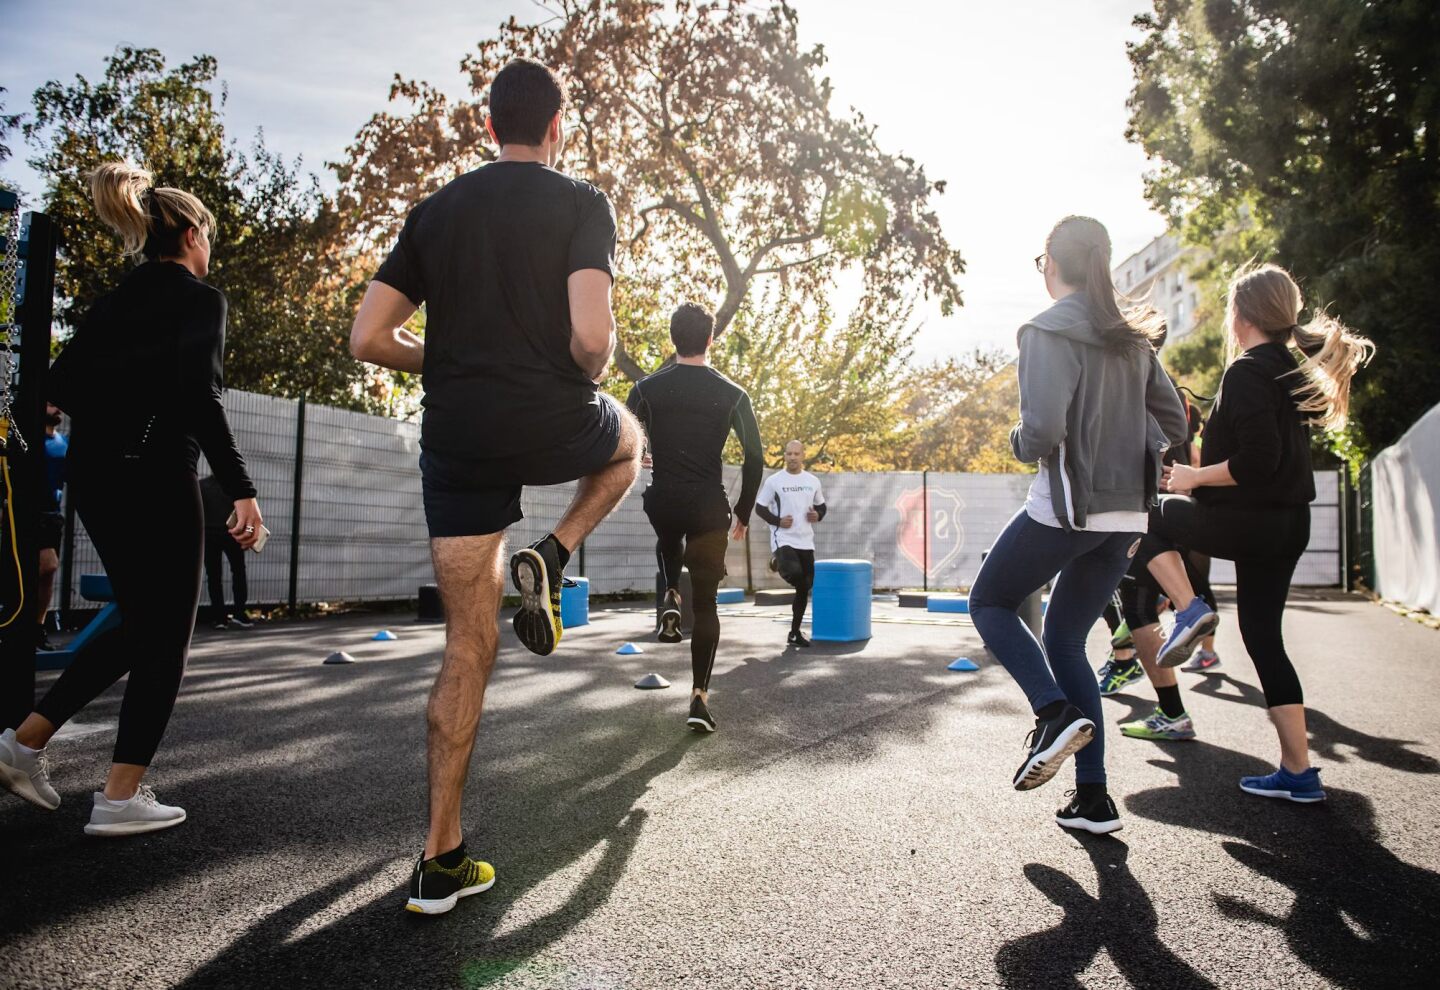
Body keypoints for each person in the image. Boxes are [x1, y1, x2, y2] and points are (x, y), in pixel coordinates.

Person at [349, 57, 641, 916]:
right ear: (558, 129)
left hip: (460, 439)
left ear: (489, 128)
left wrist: (439, 358)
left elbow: (369, 337)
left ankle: (441, 858)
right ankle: (554, 550)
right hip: (552, 419)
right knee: (628, 443)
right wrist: (588, 364)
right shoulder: (583, 202)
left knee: (465, 647)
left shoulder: (435, 213)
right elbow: (592, 339)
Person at [0, 162, 263, 836]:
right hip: (155, 476)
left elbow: (57, 384)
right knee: (166, 634)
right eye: (210, 236)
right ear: (193, 234)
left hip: (98, 477)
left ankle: (23, 743)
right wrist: (242, 491)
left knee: (139, 622)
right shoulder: (200, 300)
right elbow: (199, 398)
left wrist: (124, 406)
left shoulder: (116, 302)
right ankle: (119, 796)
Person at [966, 216, 1187, 836]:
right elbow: (1175, 422)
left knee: (989, 601)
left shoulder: (1044, 329)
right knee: (1065, 641)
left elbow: (1040, 433)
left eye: (1040, 262)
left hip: (1067, 507)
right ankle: (1093, 799)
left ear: (1053, 265)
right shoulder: (1134, 340)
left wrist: (1015, 439)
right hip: (1125, 517)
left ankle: (1052, 711)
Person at [1137, 262, 1373, 804]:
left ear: (1240, 314)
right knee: (1265, 639)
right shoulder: (1289, 369)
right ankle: (1298, 772)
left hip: (1250, 521)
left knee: (1146, 518)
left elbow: (1258, 461)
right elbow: (1263, 454)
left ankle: (1190, 608)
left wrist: (1195, 476)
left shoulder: (1246, 370)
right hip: (1287, 524)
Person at [625, 303, 764, 732]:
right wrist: (742, 512)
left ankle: (669, 592)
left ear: (672, 338)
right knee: (707, 607)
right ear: (711, 338)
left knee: (667, 530)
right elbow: (755, 458)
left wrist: (643, 453)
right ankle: (699, 699)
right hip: (709, 507)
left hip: (664, 498)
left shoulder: (646, 389)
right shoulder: (734, 394)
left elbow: (625, 438)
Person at [754, 440, 826, 647]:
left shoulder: (812, 481)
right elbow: (760, 508)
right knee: (795, 575)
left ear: (803, 455)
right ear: (785, 456)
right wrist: (778, 521)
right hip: (783, 539)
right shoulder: (774, 481)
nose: (792, 457)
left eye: (796, 454)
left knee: (806, 585)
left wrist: (817, 515)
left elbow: (822, 506)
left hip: (806, 540)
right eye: (789, 454)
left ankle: (794, 633)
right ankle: (778, 559)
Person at [200, 474, 251, 630]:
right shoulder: (236, 484)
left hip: (209, 535)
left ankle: (219, 617)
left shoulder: (202, 485)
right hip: (232, 535)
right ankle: (239, 613)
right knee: (239, 572)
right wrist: (248, 533)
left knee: (214, 577)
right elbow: (246, 513)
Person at [36, 403, 68, 651]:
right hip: (28, 514)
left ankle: (37, 627)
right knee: (47, 564)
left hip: (53, 516)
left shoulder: (62, 442)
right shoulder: (25, 440)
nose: (57, 409)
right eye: (51, 404)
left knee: (47, 575)